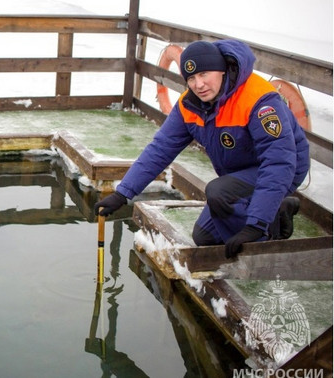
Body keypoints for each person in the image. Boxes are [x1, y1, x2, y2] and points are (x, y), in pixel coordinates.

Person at [94, 39, 310, 259]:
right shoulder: (190, 104)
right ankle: (279, 211)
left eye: (205, 74)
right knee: (204, 237)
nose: (199, 85)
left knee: (219, 192)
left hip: (285, 167)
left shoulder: (259, 100)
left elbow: (278, 161)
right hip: (240, 173)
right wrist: (123, 193)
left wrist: (256, 224)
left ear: (223, 71)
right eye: (191, 78)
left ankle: (264, 236)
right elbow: (160, 149)